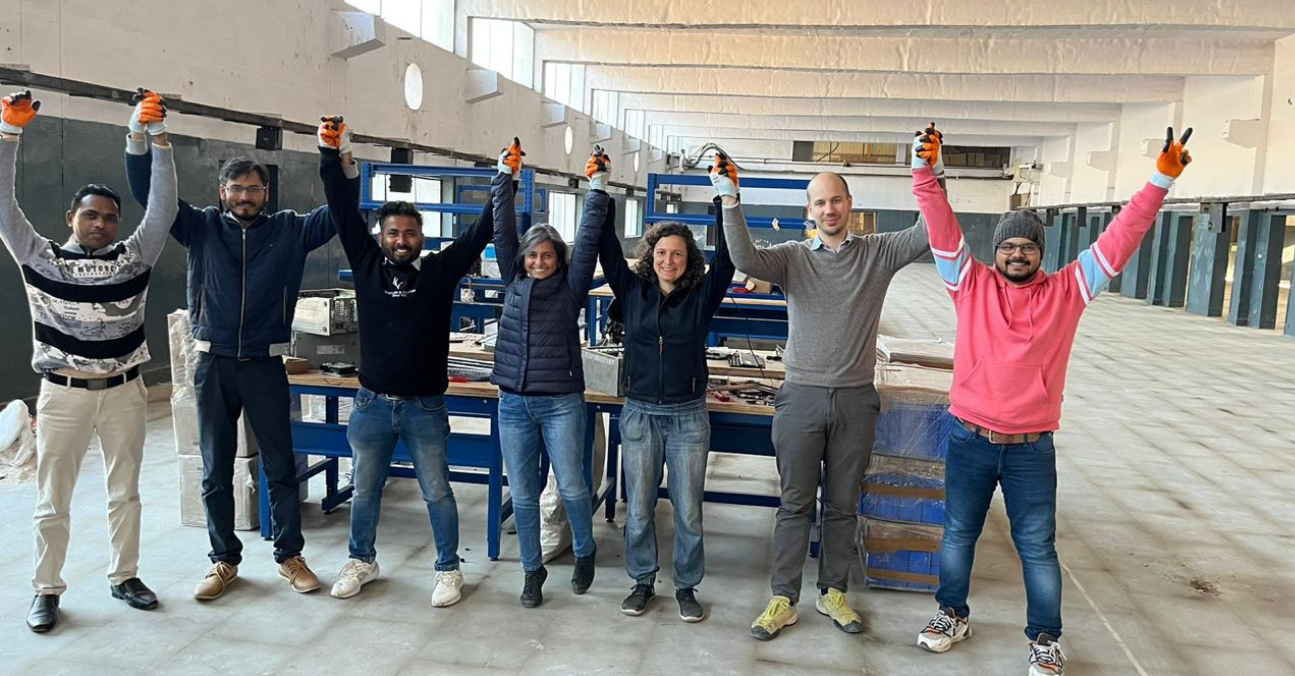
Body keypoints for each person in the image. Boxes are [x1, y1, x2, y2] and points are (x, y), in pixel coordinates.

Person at [911, 124, 1193, 676]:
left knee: (1038, 547)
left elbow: (1119, 238)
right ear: (996, 252)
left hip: (1030, 448)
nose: (1018, 253)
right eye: (1009, 245)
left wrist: (1160, 179)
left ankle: (1044, 638)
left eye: (1028, 245)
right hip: (969, 437)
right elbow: (942, 229)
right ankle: (952, 613)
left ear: (1041, 252)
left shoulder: (1069, 290)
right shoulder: (969, 284)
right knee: (958, 533)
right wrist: (926, 172)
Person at [125, 106, 342, 601]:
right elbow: (148, 195)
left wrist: (334, 155)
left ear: (266, 194)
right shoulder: (199, 227)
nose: (246, 197)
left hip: (265, 364)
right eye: (237, 189)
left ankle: (289, 556)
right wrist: (141, 135)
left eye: (255, 189)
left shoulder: (290, 230)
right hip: (214, 364)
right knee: (215, 468)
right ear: (223, 193)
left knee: (280, 465)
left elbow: (341, 211)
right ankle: (223, 561)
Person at [728, 166, 933, 640]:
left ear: (850, 204)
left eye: (835, 200)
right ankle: (783, 597)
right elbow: (745, 257)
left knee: (843, 505)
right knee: (794, 503)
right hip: (801, 397)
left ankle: (832, 591)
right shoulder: (793, 258)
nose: (829, 209)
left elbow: (930, 231)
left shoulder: (878, 253)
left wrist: (931, 175)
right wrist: (730, 197)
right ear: (809, 211)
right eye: (819, 203)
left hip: (856, 400)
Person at [0, 89, 177, 632]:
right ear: (73, 218)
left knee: (125, 491)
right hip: (62, 394)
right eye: (91, 216)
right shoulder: (39, 258)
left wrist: (158, 140)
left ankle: (125, 576)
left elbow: (164, 207)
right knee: (53, 499)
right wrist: (9, 134)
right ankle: (47, 589)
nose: (101, 224)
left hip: (126, 391)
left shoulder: (135, 258)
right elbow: (3, 208)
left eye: (109, 218)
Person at [316, 116, 494, 607]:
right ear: (380, 236)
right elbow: (340, 207)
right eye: (393, 232)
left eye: (410, 232)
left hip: (425, 407)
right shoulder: (366, 263)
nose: (401, 239)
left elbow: (481, 232)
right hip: (372, 403)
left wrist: (506, 179)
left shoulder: (439, 271)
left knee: (437, 492)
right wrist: (331, 155)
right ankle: (362, 559)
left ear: (421, 236)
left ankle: (448, 568)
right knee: (365, 489)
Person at [597, 151, 737, 622]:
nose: (669, 260)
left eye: (677, 253)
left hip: (687, 417)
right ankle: (641, 581)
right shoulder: (631, 292)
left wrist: (724, 195)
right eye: (661, 253)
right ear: (649, 257)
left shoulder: (701, 297)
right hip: (639, 413)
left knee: (688, 510)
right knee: (637, 508)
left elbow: (729, 257)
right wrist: (601, 187)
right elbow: (605, 247)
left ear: (688, 258)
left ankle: (686, 586)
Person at [491, 139, 602, 607]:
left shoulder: (572, 288)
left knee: (573, 485)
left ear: (559, 259)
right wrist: (505, 179)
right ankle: (532, 571)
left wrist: (596, 185)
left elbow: (591, 235)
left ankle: (584, 549)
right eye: (532, 255)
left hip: (560, 401)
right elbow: (502, 231)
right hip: (513, 402)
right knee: (523, 493)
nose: (538, 262)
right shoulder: (513, 279)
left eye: (547, 256)